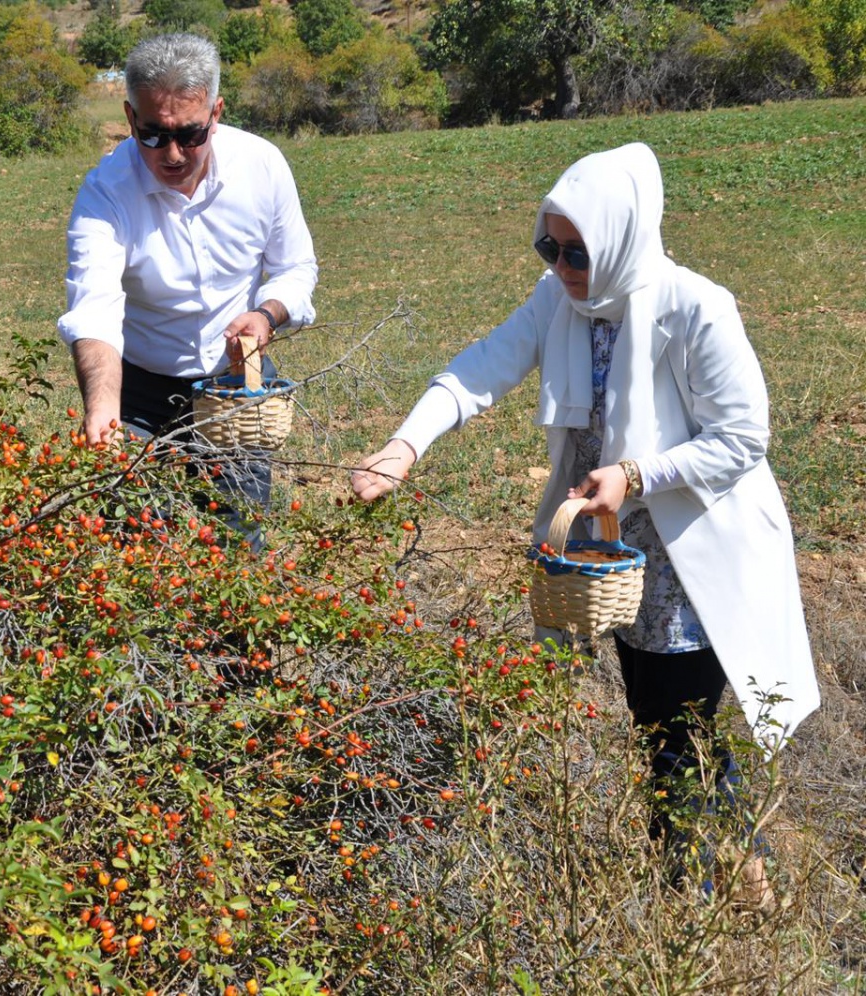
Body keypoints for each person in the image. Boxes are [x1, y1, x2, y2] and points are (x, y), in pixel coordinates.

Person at [351, 142, 819, 896]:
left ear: (624, 239)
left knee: (673, 730)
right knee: (663, 721)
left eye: (578, 251)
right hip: (605, 548)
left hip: (687, 551)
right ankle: (741, 872)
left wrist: (636, 473)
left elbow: (742, 439)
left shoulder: (696, 307)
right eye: (549, 245)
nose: (562, 265)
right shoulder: (558, 301)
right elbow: (481, 366)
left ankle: (695, 901)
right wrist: (404, 445)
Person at [57, 33, 318, 531]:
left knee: (235, 547)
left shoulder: (262, 167)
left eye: (191, 135)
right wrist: (105, 411)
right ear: (131, 118)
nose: (172, 153)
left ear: (216, 113)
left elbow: (295, 268)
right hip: (138, 396)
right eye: (153, 134)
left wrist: (266, 315)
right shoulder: (106, 193)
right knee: (134, 554)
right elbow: (95, 307)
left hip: (234, 389)